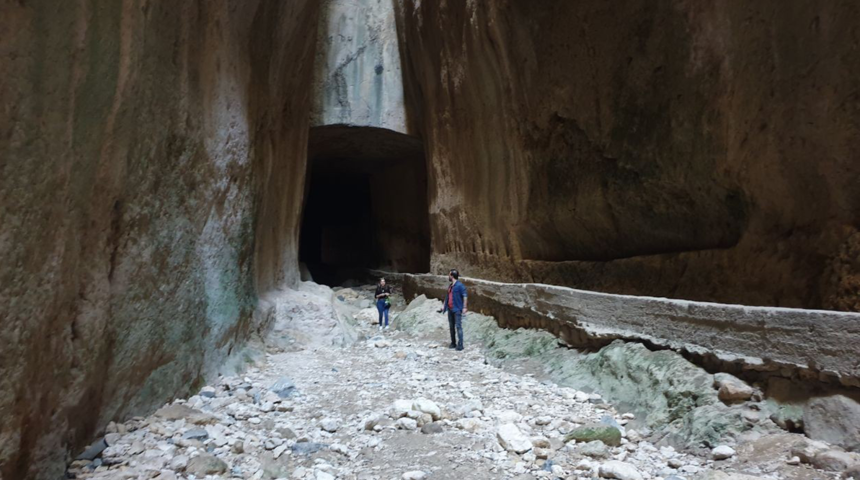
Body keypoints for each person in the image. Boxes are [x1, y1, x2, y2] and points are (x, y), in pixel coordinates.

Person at [437, 269, 468, 350]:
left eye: (449, 275)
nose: (448, 276)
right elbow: (447, 297)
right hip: (450, 309)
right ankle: (453, 343)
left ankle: (460, 345)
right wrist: (443, 306)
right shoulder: (450, 286)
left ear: (452, 276)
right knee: (451, 327)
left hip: (457, 309)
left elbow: (465, 296)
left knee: (458, 327)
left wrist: (464, 307)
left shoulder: (460, 286)